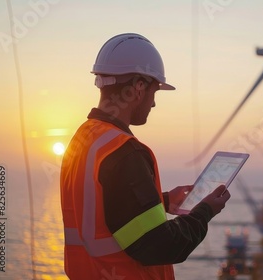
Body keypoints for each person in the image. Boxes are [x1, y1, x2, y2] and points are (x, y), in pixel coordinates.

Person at [60, 33, 231, 280]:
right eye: (155, 90)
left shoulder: (84, 139)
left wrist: (161, 201)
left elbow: (108, 211)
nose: (153, 103)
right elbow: (161, 246)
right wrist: (205, 211)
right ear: (139, 87)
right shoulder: (125, 152)